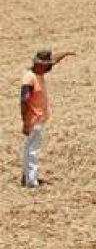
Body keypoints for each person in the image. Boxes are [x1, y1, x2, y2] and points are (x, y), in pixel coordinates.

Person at [20, 49, 76, 188]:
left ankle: (27, 176)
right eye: (46, 65)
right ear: (39, 65)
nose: (48, 68)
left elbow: (54, 61)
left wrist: (65, 53)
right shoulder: (29, 79)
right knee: (33, 150)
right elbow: (24, 101)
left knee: (30, 148)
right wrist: (26, 122)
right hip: (34, 120)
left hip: (38, 119)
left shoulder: (39, 72)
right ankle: (31, 182)